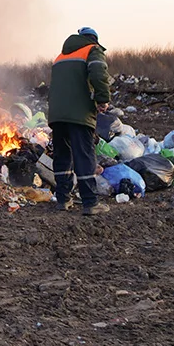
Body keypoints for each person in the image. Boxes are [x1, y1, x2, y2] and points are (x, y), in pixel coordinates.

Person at [48, 27, 112, 215]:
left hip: (57, 114)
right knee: (84, 155)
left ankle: (63, 199)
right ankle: (90, 203)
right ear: (93, 40)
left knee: (62, 156)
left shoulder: (60, 57)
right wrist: (102, 99)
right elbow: (99, 73)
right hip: (79, 114)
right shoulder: (92, 50)